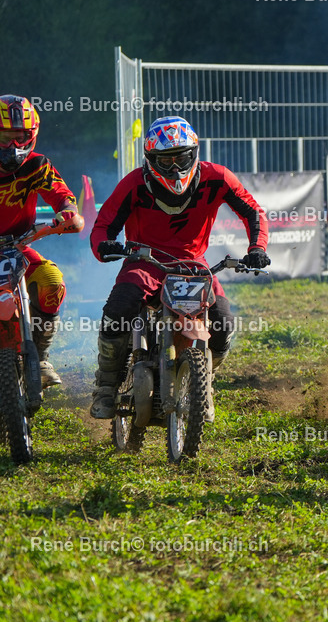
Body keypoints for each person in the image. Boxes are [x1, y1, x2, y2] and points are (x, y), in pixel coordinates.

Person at [89, 116, 270, 420]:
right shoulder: (134, 183)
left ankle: (203, 383)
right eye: (165, 161)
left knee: (223, 322)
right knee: (118, 310)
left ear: (194, 154)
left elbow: (253, 212)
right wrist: (105, 246)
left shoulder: (218, 177)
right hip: (144, 261)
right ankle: (106, 386)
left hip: (193, 264)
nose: (174, 168)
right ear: (151, 160)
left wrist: (257, 248)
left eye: (181, 158)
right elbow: (104, 225)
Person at [0, 95, 83, 388]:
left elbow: (63, 196)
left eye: (18, 137)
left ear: (31, 136)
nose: (11, 145)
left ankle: (40, 356)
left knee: (52, 283)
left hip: (16, 247)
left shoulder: (36, 165)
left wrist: (67, 213)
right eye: (4, 137)